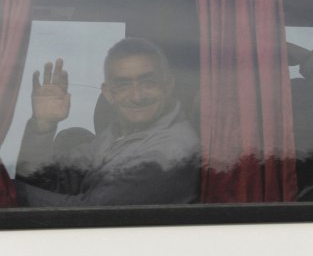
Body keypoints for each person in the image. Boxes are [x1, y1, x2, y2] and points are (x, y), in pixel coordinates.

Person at [15, 37, 200, 206]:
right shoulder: (114, 136)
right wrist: (42, 126)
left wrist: (11, 192)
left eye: (148, 82)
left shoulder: (172, 148)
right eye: (123, 85)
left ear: (168, 85)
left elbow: (89, 213)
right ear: (109, 94)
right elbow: (52, 181)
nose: (137, 96)